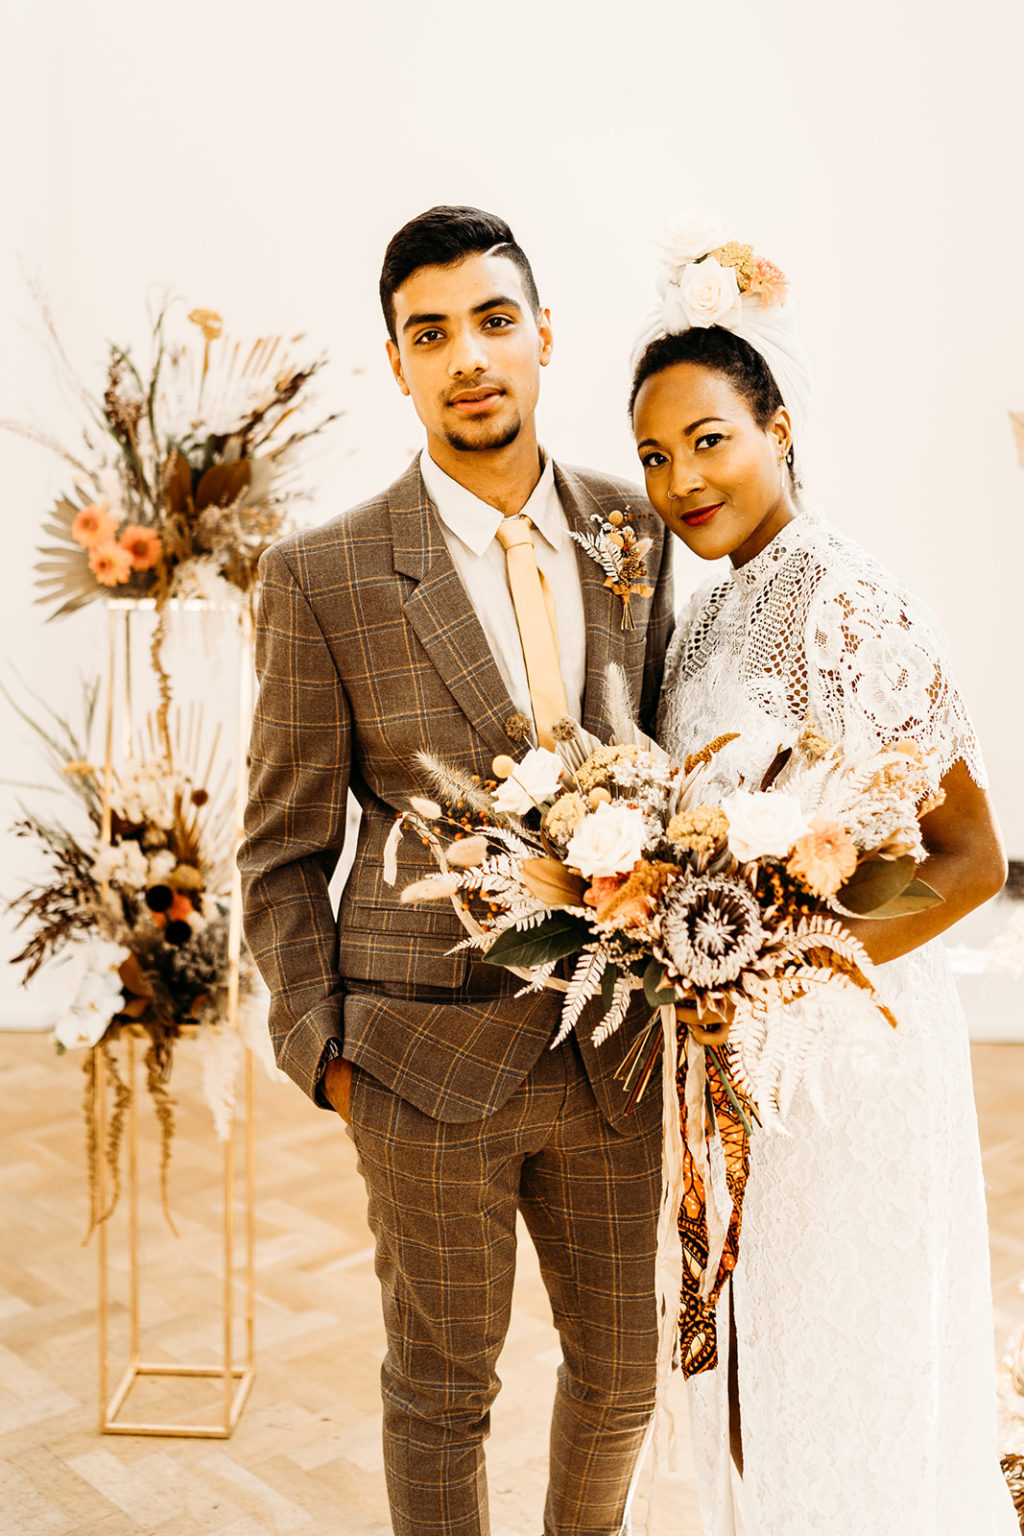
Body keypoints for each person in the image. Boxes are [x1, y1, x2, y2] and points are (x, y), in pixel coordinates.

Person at [239, 205, 676, 1536]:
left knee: (621, 1380)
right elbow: (279, 848)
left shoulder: (641, 533)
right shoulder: (324, 575)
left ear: (544, 337)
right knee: (440, 1392)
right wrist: (329, 1050)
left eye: (494, 322)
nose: (468, 356)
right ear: (397, 363)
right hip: (422, 1067)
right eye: (432, 334)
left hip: (617, 1059)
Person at [629, 216, 1019, 1534]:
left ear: (780, 427)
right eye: (654, 455)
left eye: (708, 439)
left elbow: (969, 859)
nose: (681, 477)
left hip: (847, 1073)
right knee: (763, 1380)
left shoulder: (849, 597)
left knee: (856, 1381)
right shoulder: (708, 614)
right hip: (740, 1079)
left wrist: (787, 965)